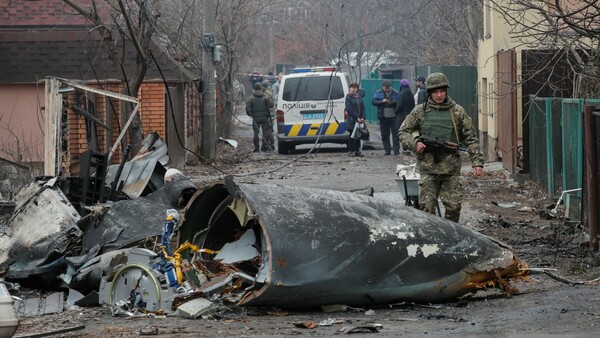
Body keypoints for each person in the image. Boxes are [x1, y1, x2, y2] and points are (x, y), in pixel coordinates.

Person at [399, 72, 484, 223]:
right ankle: (431, 241)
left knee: (453, 207)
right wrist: (414, 144)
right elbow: (403, 131)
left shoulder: (457, 111)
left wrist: (477, 162)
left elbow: (471, 138)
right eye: (435, 92)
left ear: (446, 91)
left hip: (450, 170)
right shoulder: (420, 111)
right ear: (430, 93)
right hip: (428, 169)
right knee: (427, 209)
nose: (439, 95)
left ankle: (450, 238)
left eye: (442, 91)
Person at [372, 80, 400, 155]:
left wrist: (394, 102)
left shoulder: (395, 92)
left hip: (393, 117)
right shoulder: (378, 92)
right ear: (383, 87)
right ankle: (387, 150)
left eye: (388, 88)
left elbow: (399, 102)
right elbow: (373, 102)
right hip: (383, 117)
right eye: (386, 88)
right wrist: (381, 101)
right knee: (384, 134)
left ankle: (396, 151)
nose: (387, 89)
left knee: (395, 134)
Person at [246, 82, 274, 152]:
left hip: (255, 118)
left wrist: (251, 115)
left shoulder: (250, 98)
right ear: (261, 88)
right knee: (265, 133)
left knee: (256, 133)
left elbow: (247, 109)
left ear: (254, 88)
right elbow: (271, 105)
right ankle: (263, 147)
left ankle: (256, 148)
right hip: (265, 118)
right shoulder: (265, 97)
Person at [345, 82, 365, 157]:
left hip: (359, 119)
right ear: (350, 88)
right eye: (352, 87)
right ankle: (351, 150)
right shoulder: (348, 97)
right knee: (351, 135)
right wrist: (356, 117)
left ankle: (357, 150)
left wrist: (363, 117)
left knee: (358, 135)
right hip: (352, 119)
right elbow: (349, 108)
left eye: (355, 88)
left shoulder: (359, 97)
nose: (353, 89)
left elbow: (363, 107)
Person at [395, 79, 415, 155]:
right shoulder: (411, 94)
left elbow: (399, 105)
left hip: (401, 116)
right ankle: (408, 148)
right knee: (408, 131)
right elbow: (413, 105)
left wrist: (395, 111)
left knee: (401, 132)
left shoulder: (401, 94)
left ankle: (405, 148)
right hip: (409, 115)